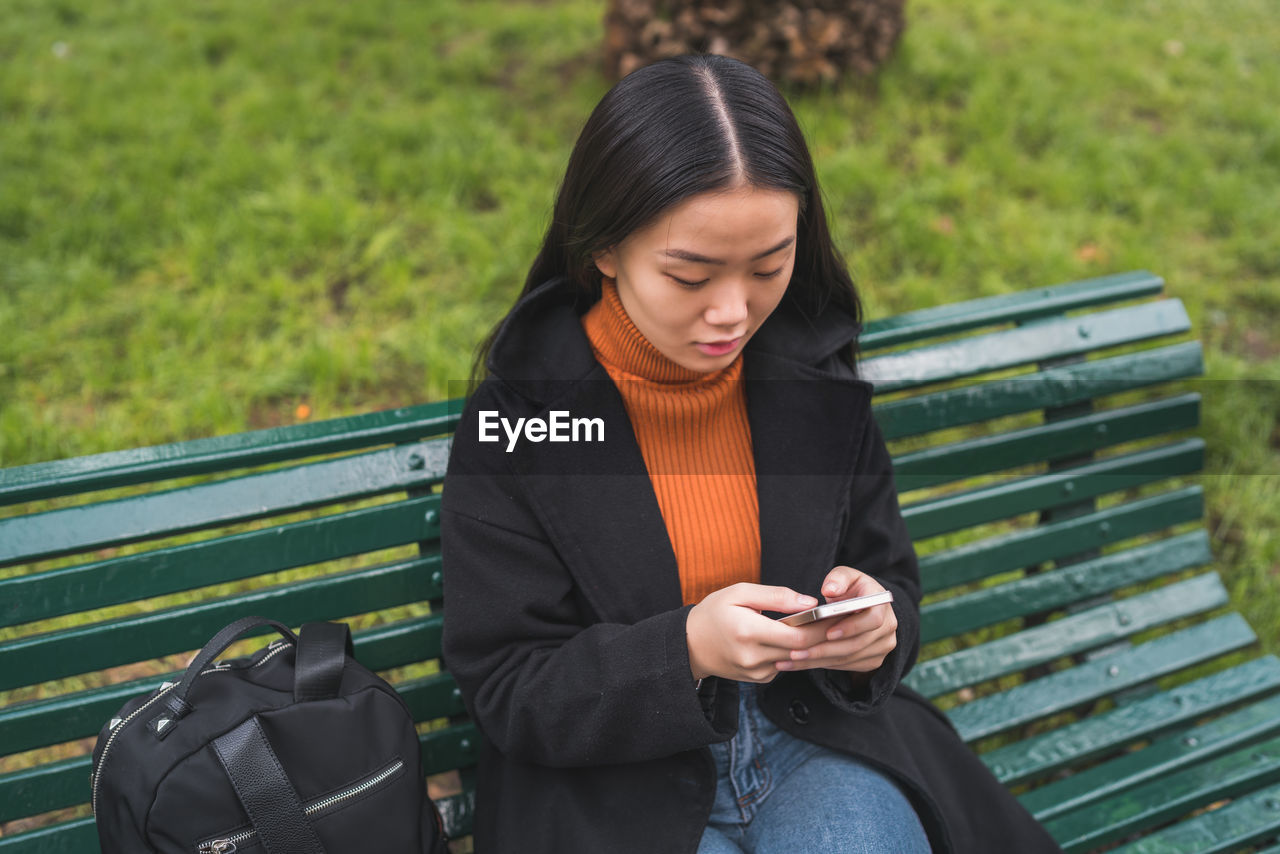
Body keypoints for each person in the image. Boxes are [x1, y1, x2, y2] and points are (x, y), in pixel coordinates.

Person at [441, 54, 1063, 854]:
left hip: (817, 739)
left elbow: (893, 580)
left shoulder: (812, 377)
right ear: (602, 249)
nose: (733, 313)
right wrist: (687, 650)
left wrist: (876, 634)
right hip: (614, 788)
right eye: (689, 275)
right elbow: (509, 685)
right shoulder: (527, 419)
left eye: (770, 265)